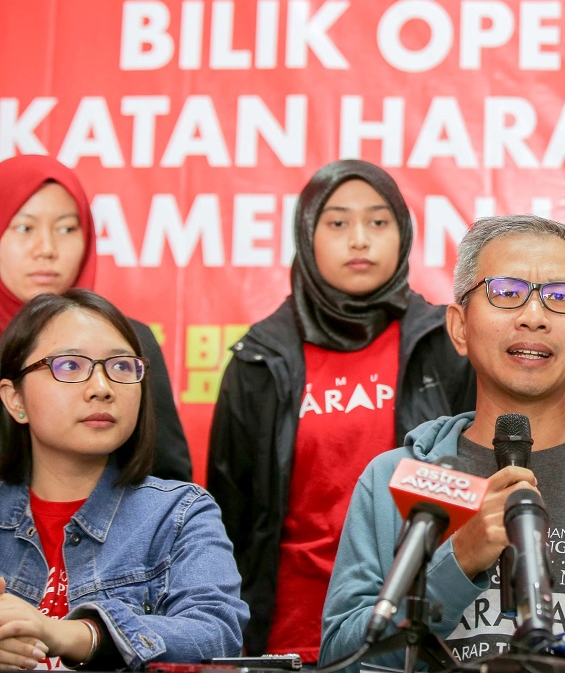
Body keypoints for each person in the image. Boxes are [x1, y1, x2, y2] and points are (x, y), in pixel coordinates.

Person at [319, 214, 565, 672]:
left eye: (561, 297)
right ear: (459, 327)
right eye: (506, 292)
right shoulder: (398, 480)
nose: (534, 317)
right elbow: (345, 660)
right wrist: (458, 561)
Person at [207, 160, 477, 660]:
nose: (359, 239)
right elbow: (228, 521)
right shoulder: (259, 360)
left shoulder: (445, 346)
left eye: (378, 222)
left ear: (404, 233)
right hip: (288, 637)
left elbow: (475, 492)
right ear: (307, 234)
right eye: (337, 223)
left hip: (419, 634)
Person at [0, 289, 248, 670]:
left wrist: (77, 634)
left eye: (121, 367)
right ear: (15, 399)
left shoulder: (179, 514)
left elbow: (217, 633)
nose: (102, 387)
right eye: (69, 366)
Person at [0, 154, 192, 481]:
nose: (46, 248)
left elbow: (166, 477)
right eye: (24, 227)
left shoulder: (128, 340)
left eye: (66, 228)